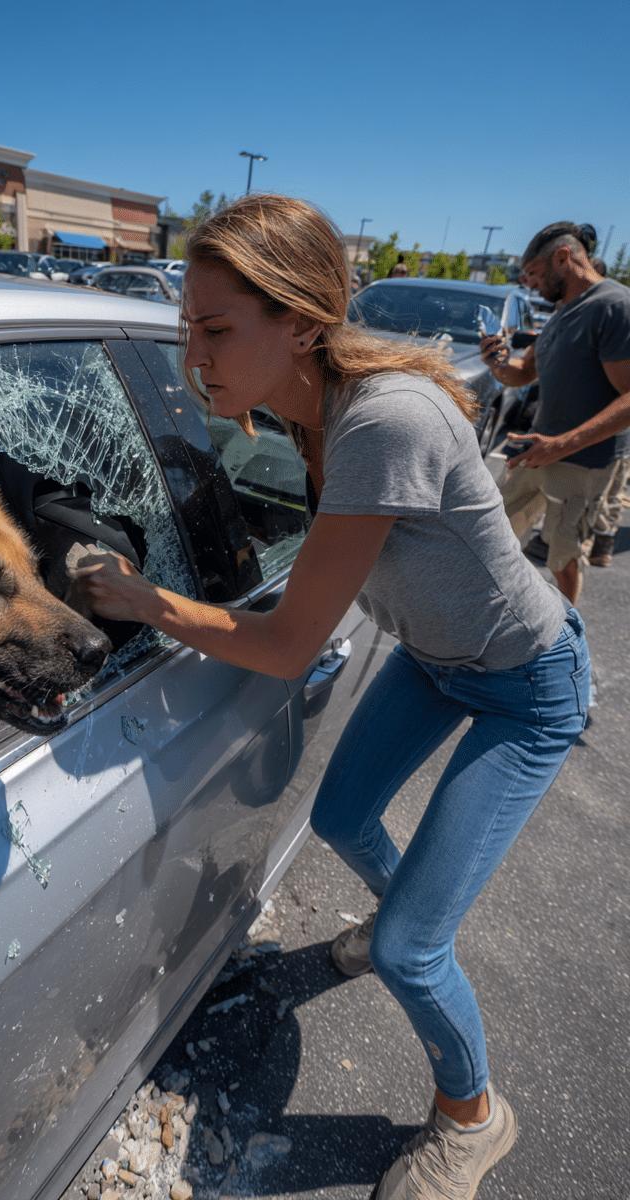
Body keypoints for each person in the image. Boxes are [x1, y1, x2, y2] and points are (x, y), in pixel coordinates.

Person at [72, 194, 590, 1200]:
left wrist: (145, 601)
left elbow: (285, 644)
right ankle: (414, 920)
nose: (193, 357)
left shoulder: (381, 420)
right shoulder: (306, 415)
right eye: (187, 328)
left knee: (409, 951)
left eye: (216, 330)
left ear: (303, 324)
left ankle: (472, 1116)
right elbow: (329, 573)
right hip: (435, 658)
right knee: (344, 816)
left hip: (525, 684)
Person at [483, 221, 630, 601]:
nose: (530, 284)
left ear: (563, 257)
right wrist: (497, 361)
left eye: (534, 273)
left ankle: (569, 629)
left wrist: (563, 444)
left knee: (563, 558)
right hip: (538, 451)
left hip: (583, 462)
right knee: (492, 530)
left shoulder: (614, 305)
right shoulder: (563, 311)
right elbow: (523, 372)